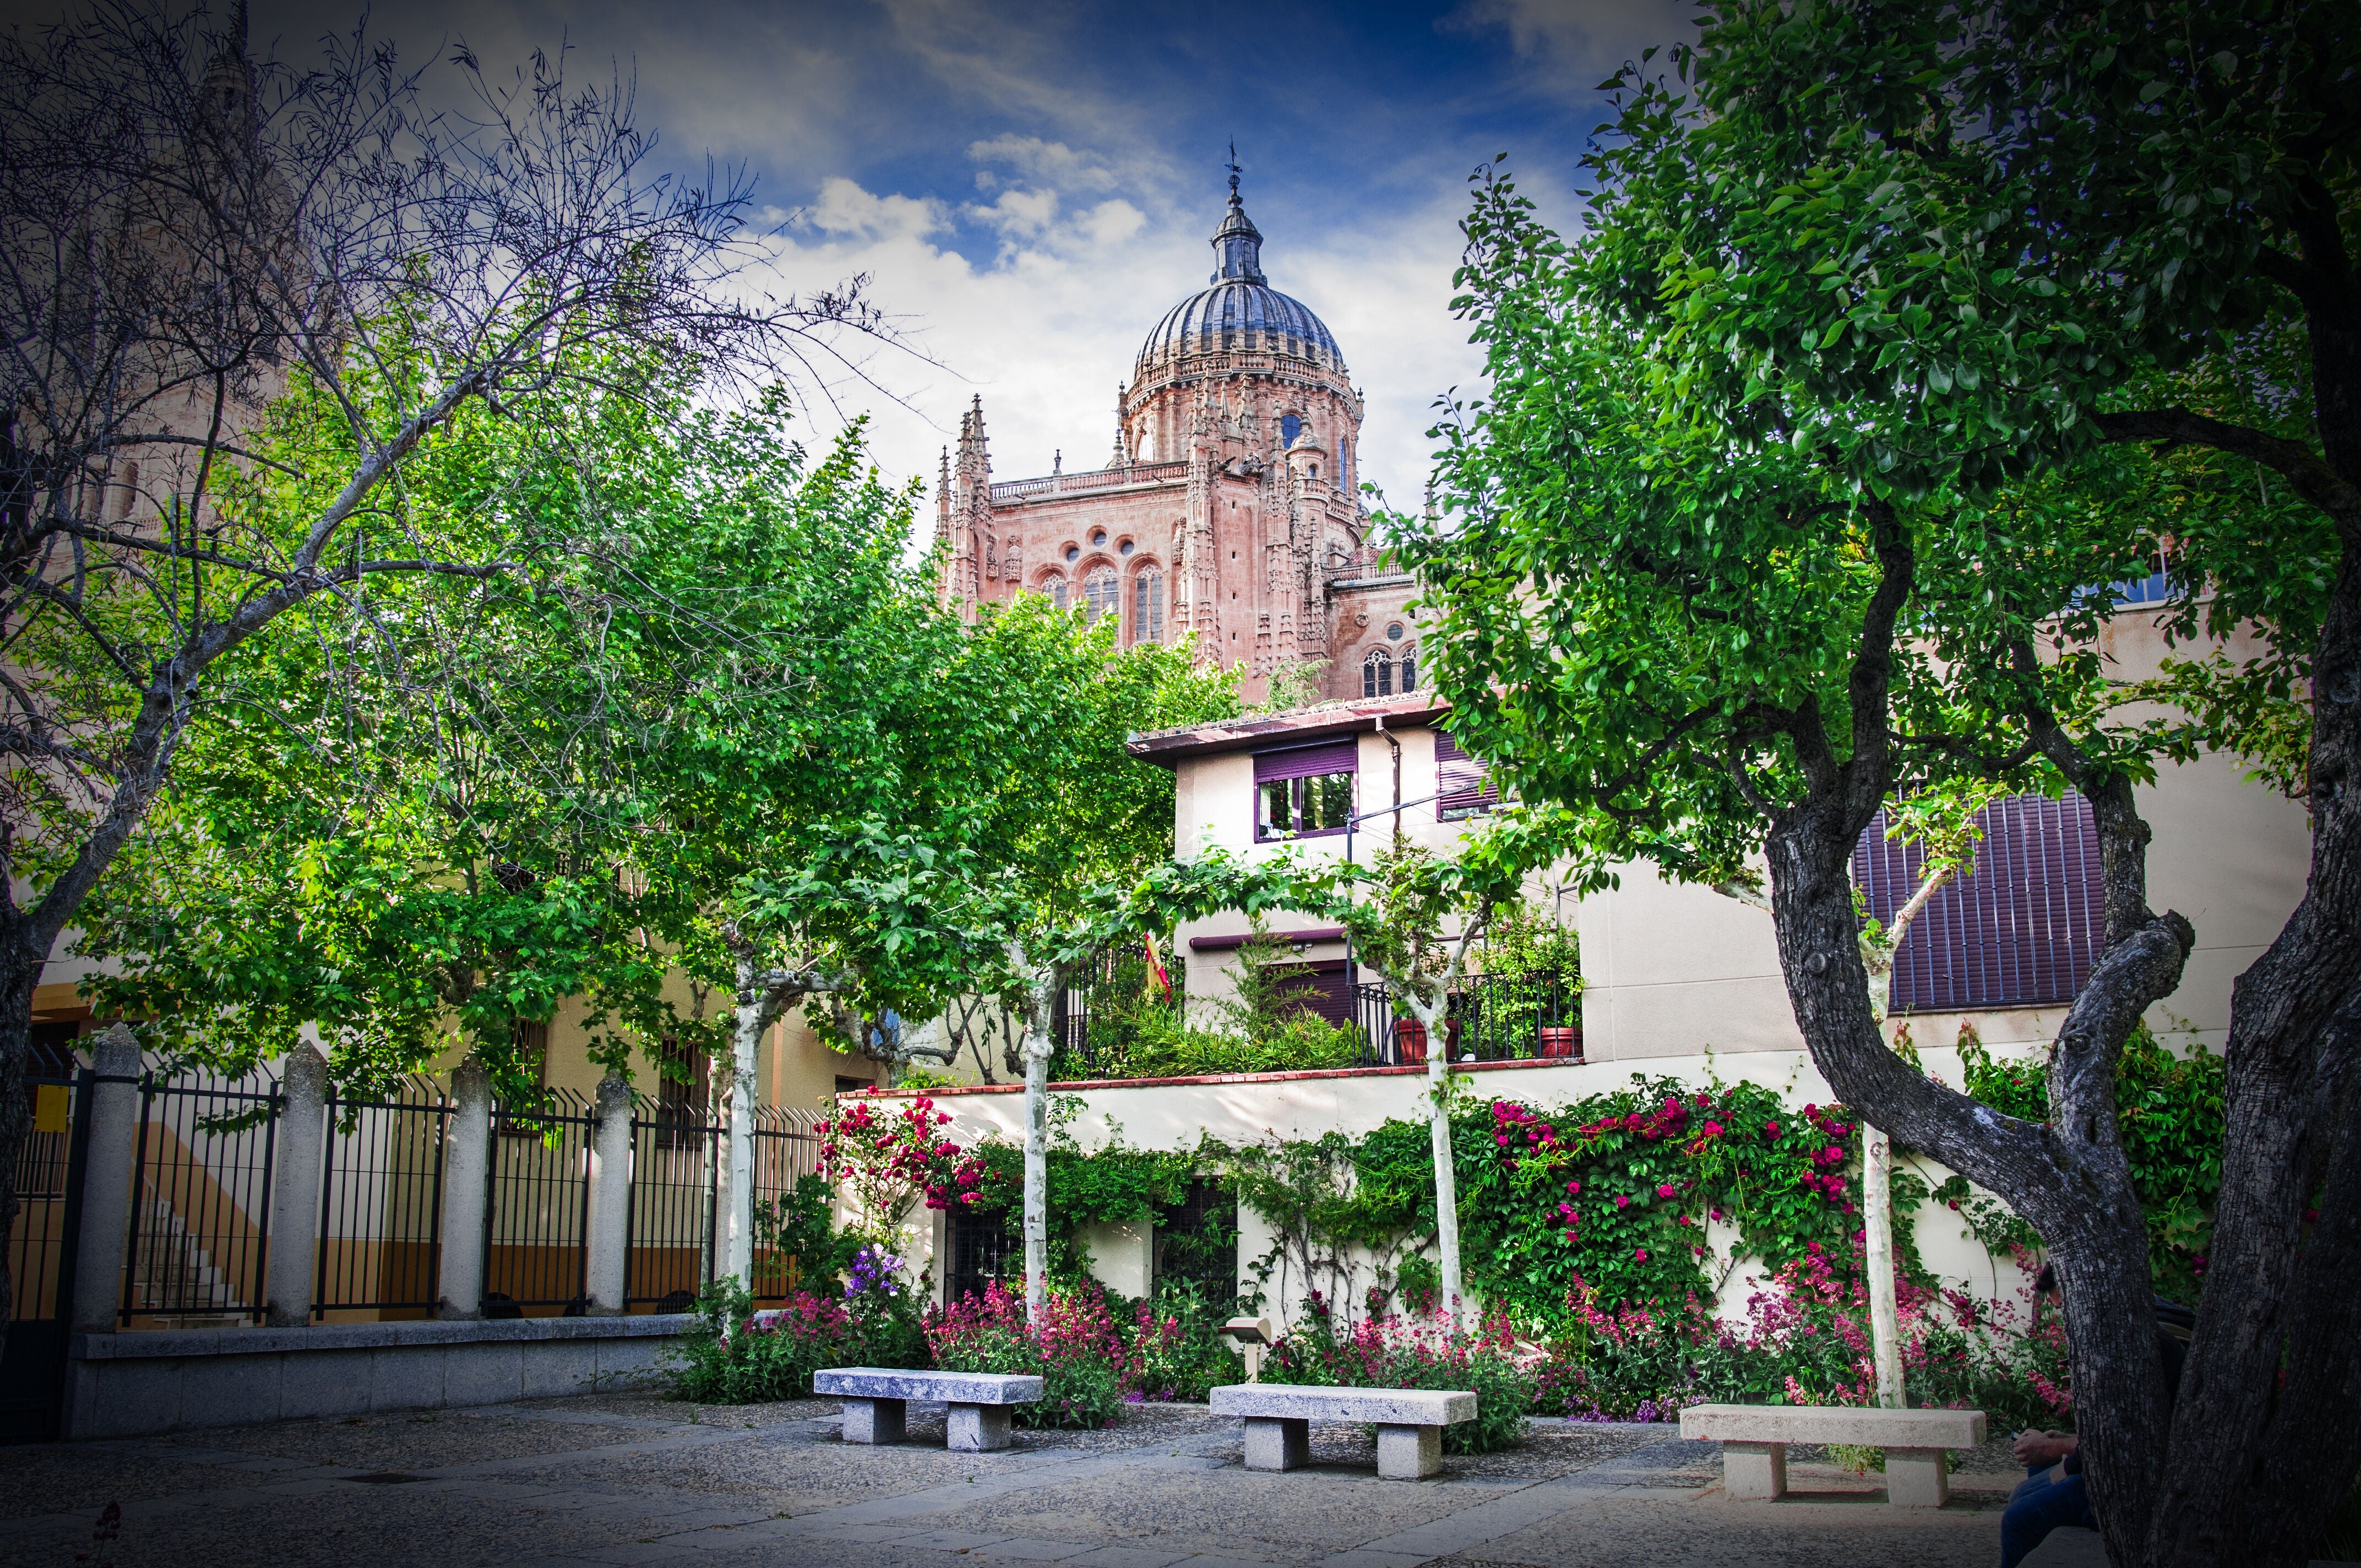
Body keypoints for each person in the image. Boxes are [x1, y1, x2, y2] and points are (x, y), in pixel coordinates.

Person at [1999, 1265, 2190, 1568]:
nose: (2065, 1319)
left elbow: (2128, 1440)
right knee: (2036, 1469)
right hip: (2116, 1460)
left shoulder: (2134, 1345)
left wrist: (2058, 1450)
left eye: (2065, 1308)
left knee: (2017, 1517)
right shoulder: (2128, 1325)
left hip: (2134, 1480)